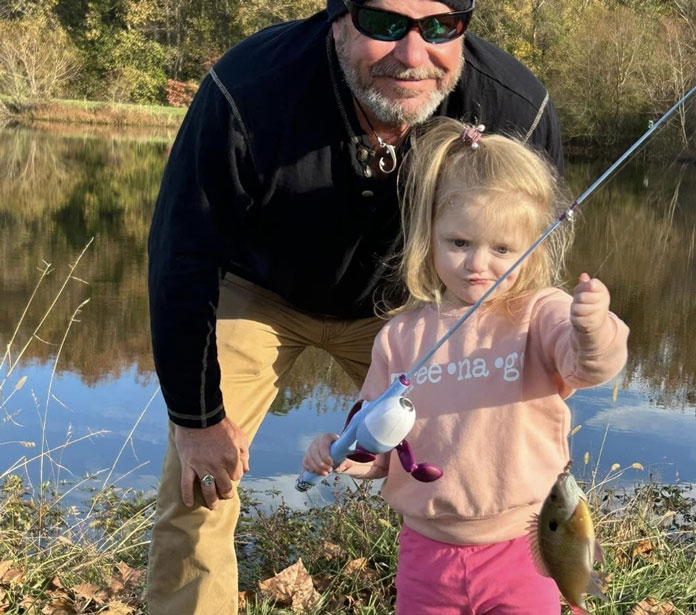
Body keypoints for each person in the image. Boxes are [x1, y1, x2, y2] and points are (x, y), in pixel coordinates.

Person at [146, 0, 564, 613]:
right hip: (260, 292)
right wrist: (198, 416)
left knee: (478, 458)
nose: (413, 54)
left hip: (413, 310)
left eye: (441, 27)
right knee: (198, 483)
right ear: (337, 17)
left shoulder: (513, 108)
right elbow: (181, 252)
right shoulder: (249, 88)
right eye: (386, 23)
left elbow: (530, 264)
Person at [303, 117, 629, 614]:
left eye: (502, 249)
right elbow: (377, 449)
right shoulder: (400, 336)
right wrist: (342, 454)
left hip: (527, 548)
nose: (478, 264)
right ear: (429, 237)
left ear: (533, 251)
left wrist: (591, 327)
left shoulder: (541, 313)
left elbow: (591, 365)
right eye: (459, 243)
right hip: (425, 554)